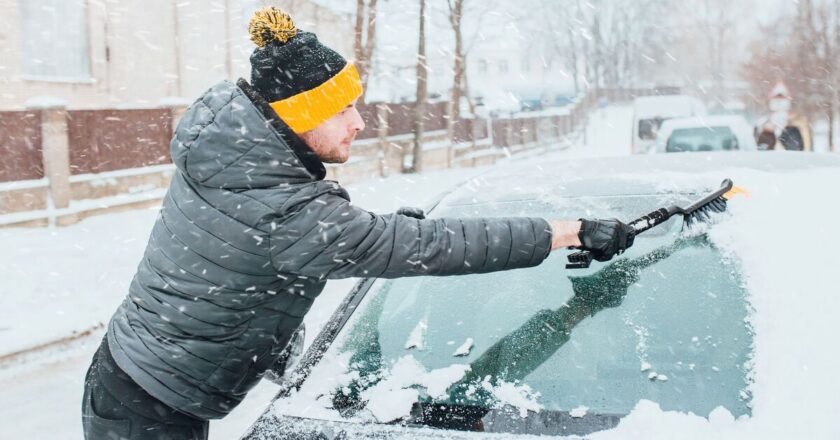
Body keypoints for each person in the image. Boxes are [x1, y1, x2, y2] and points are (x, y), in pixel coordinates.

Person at [81, 7, 635, 439]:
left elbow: (277, 246)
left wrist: (374, 234)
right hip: (145, 408)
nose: (360, 121)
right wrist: (570, 231)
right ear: (299, 114)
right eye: (342, 108)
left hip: (134, 379)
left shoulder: (235, 155)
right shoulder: (284, 208)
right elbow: (432, 247)